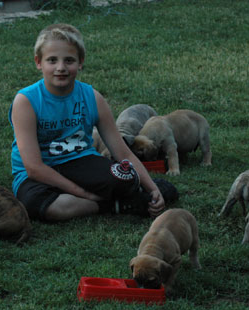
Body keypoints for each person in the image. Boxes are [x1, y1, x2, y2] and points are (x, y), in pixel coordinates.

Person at [9, 23, 174, 222]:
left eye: (69, 60)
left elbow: (122, 152)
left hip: (79, 161)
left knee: (125, 177)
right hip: (37, 173)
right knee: (38, 204)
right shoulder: (26, 101)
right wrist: (83, 193)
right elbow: (34, 167)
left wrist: (153, 189)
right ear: (38, 62)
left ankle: (139, 191)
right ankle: (114, 204)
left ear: (80, 62)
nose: (60, 68)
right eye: (52, 60)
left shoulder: (92, 97)